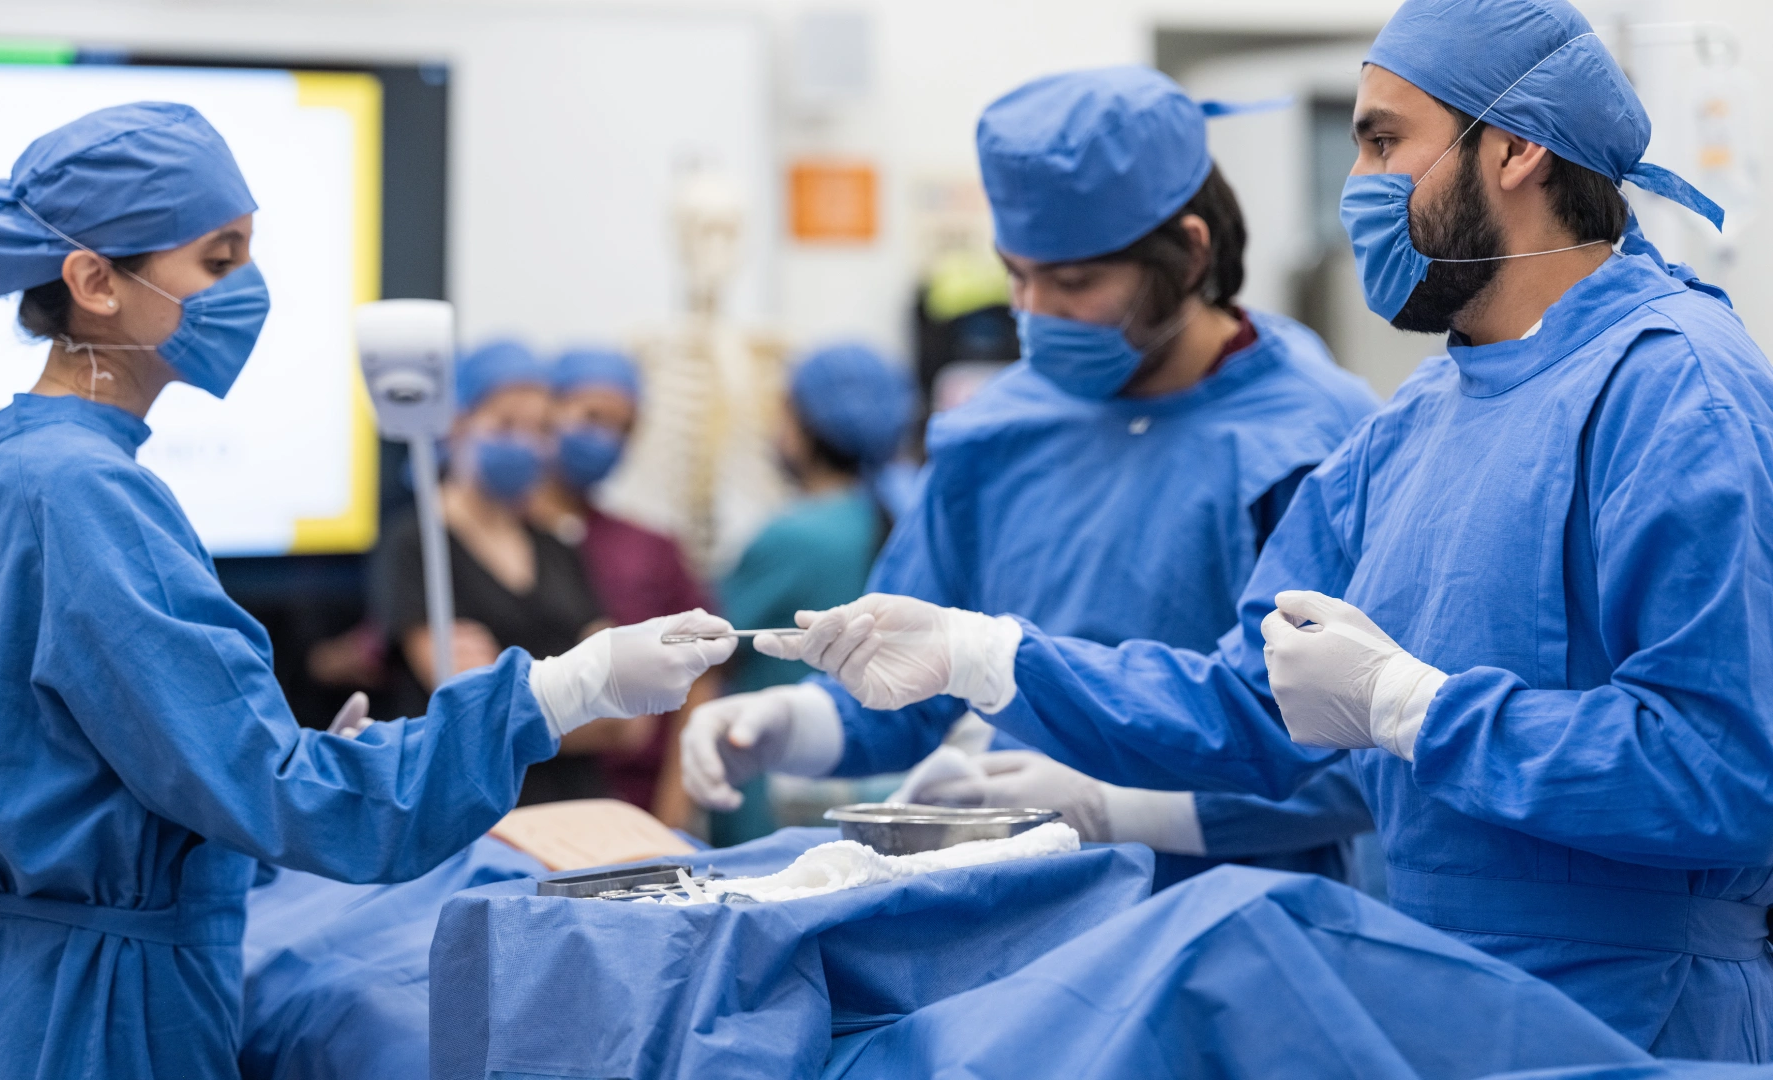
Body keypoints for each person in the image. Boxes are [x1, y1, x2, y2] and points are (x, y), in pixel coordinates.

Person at [763, 0, 1773, 1061]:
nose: (1358, 190)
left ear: (1518, 147)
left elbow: (1731, 773)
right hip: (1430, 994)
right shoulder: (1414, 429)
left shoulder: (1675, 391)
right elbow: (1246, 705)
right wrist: (989, 657)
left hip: (1638, 1011)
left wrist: (1415, 709)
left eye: (1386, 140)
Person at [0, 102, 734, 1080]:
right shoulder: (82, 494)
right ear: (93, 282)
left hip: (40, 983)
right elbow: (293, 802)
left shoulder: (6, 461)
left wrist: (237, 773)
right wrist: (561, 691)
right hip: (100, 1013)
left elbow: (68, 764)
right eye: (216, 260)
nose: (245, 290)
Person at [682, 66, 1380, 889]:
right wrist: (792, 722)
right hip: (1013, 910)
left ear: (1190, 252)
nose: (1035, 309)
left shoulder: (1312, 439)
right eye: (1017, 274)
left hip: (1236, 919)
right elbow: (913, 682)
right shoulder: (997, 431)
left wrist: (1121, 809)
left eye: (1075, 282)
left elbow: (1357, 750)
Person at [373, 339, 654, 806]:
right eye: (505, 424)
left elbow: (629, 720)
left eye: (542, 429)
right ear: (458, 423)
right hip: (478, 812)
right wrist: (578, 698)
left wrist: (525, 704)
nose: (526, 444)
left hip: (579, 807)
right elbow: (473, 713)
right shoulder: (418, 543)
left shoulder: (555, 545)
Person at [707, 343, 915, 844]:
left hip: (775, 790)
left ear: (806, 428)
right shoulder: (908, 517)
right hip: (883, 786)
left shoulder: (792, 538)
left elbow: (709, 651)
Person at [529, 346, 716, 823]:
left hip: (630, 811)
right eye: (591, 416)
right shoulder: (493, 544)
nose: (604, 439)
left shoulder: (648, 547)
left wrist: (672, 823)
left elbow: (699, 682)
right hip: (518, 807)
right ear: (544, 412)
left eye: (622, 428)